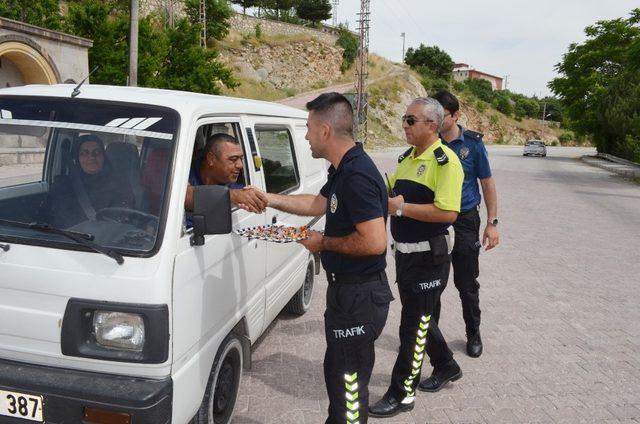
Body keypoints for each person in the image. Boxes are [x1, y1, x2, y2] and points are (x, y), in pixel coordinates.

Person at [261, 92, 393, 424]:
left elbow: (375, 243)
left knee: (348, 387)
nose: (305, 136)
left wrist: (323, 243)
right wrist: (267, 198)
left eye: (308, 128)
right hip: (347, 294)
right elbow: (315, 206)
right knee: (337, 374)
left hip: (359, 295)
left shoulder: (358, 175)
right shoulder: (343, 169)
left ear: (325, 131)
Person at [369, 97, 464, 418]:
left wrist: (401, 208)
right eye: (404, 119)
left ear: (432, 126)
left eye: (411, 120)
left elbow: (448, 212)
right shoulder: (408, 158)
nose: (404, 125)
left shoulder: (446, 162)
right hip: (406, 257)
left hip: (430, 259)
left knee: (412, 327)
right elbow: (390, 192)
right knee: (422, 318)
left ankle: (402, 393)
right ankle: (447, 365)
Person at [432, 90, 499, 358]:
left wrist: (492, 223)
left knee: (466, 283)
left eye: (441, 116)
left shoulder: (472, 144)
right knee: (432, 283)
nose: (434, 121)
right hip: (435, 219)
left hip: (465, 221)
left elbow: (487, 183)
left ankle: (473, 333)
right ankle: (430, 339)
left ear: (456, 115)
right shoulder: (429, 142)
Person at [48, 134, 135, 228]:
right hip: (69, 240)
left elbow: (127, 218)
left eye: (97, 152)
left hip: (110, 239)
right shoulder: (62, 187)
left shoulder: (120, 184)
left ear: (104, 157)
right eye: (85, 153)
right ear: (77, 158)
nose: (92, 157)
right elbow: (53, 222)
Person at [183, 133, 267, 214]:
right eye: (233, 159)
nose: (240, 165)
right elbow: (181, 196)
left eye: (241, 159)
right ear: (211, 159)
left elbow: (256, 197)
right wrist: (231, 196)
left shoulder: (234, 186)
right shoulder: (184, 170)